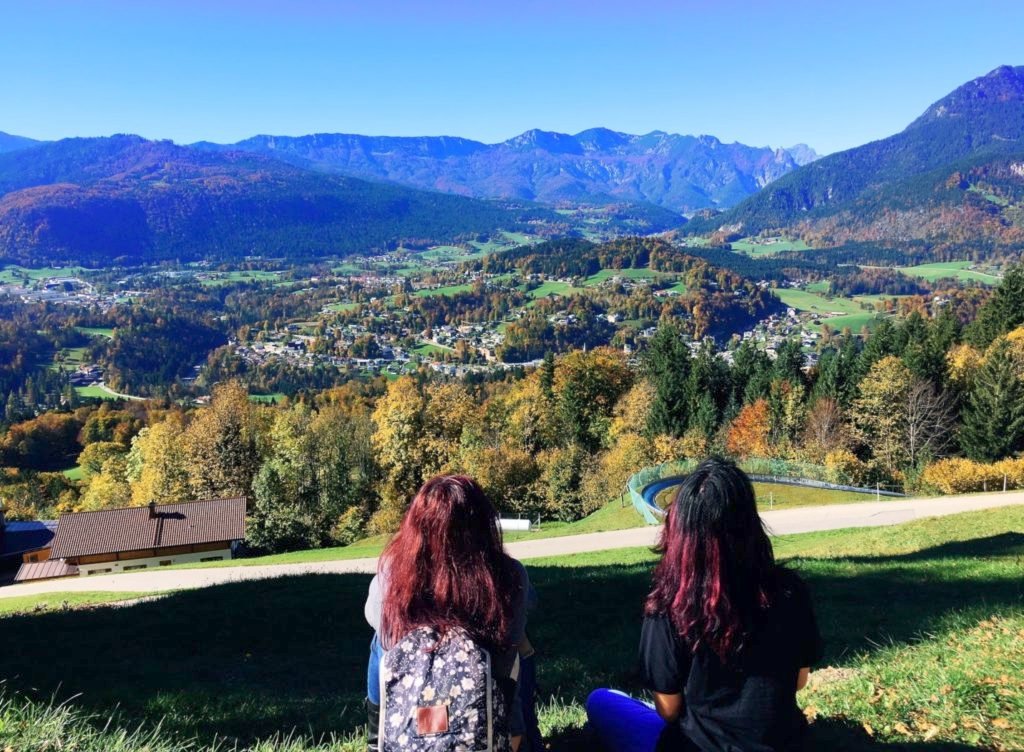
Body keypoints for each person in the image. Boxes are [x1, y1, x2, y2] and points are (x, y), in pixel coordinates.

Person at [587, 457, 823, 752]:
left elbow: (669, 710)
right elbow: (799, 681)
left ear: (679, 531)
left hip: (698, 745)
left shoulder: (669, 604)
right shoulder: (790, 591)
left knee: (600, 700)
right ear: (750, 524)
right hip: (784, 744)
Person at [364, 475, 534, 751]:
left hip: (408, 705)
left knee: (380, 643)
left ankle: (377, 737)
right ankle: (515, 737)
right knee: (516, 652)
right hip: (484, 712)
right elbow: (511, 641)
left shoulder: (392, 572)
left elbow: (375, 618)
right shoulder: (509, 574)